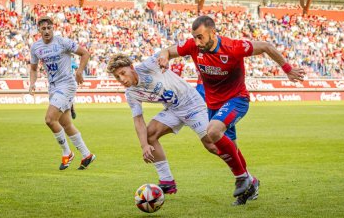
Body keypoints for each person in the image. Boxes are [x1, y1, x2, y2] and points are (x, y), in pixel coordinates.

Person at [158, 15, 305, 205]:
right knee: (231, 150)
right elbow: (169, 50)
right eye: (194, 37)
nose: (196, 41)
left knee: (212, 131)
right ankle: (251, 184)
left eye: (200, 37)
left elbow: (266, 46)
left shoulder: (234, 47)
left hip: (237, 100)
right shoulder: (193, 46)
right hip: (214, 105)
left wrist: (287, 69)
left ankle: (241, 177)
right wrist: (164, 55)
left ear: (212, 32)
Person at [107, 53, 218, 195]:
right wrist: (144, 146)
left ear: (131, 67)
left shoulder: (148, 66)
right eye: (117, 77)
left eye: (123, 73)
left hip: (191, 103)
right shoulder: (131, 94)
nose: (121, 79)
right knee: (149, 135)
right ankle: (167, 182)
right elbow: (138, 119)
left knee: (211, 145)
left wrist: (166, 56)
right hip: (173, 108)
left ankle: (244, 175)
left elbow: (169, 50)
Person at [29, 16, 96, 170]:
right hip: (53, 87)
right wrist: (32, 83)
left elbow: (85, 53)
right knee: (66, 124)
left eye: (49, 28)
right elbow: (33, 68)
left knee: (50, 119)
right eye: (43, 28)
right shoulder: (36, 47)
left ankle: (67, 152)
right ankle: (87, 155)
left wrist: (79, 71)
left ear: (53, 28)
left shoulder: (63, 42)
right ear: (39, 30)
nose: (46, 31)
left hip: (66, 85)